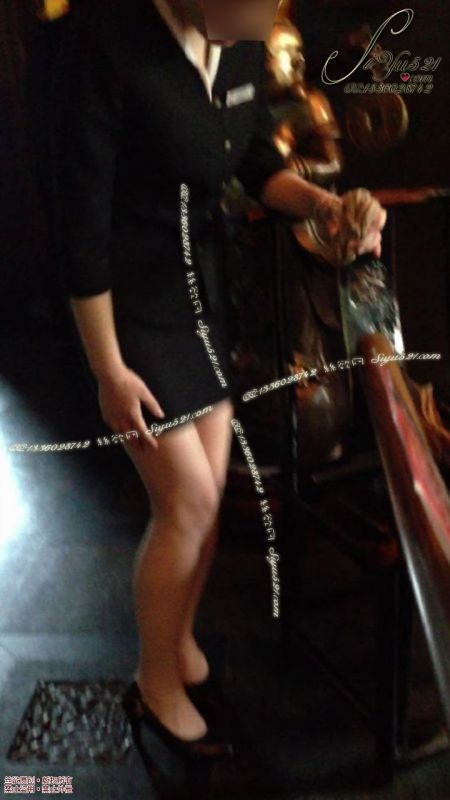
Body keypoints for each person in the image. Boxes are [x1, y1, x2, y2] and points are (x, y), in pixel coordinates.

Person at [51, 0, 386, 766]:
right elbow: (81, 229)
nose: (262, 30)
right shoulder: (104, 45)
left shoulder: (237, 43)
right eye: (250, 11)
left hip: (201, 299)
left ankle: (178, 640)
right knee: (190, 503)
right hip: (125, 311)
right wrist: (108, 372)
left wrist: (324, 205)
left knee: (207, 491)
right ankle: (153, 681)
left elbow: (255, 163)